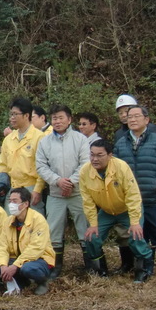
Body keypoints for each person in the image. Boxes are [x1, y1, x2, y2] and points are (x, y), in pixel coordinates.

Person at [113, 106, 156, 277]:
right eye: (129, 117)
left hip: (153, 195)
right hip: (132, 200)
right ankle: (146, 268)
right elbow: (116, 172)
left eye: (136, 116)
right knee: (139, 236)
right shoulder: (120, 143)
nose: (132, 120)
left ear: (146, 120)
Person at [80, 139, 152, 283]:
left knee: (135, 236)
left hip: (126, 209)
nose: (95, 159)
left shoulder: (121, 167)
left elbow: (133, 196)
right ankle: (100, 271)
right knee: (91, 238)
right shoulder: (85, 171)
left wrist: (135, 222)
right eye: (92, 154)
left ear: (110, 155)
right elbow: (87, 201)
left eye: (100, 155)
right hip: (107, 211)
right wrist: (93, 224)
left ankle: (143, 270)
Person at [35, 105, 90, 278]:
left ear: (69, 120)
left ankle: (91, 265)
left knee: (85, 229)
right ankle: (55, 267)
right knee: (54, 232)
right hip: (55, 194)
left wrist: (71, 182)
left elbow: (86, 164)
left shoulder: (80, 139)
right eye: (54, 118)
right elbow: (41, 166)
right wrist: (58, 181)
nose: (57, 122)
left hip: (78, 192)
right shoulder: (44, 142)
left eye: (60, 118)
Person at [0, 188, 54, 295]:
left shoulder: (38, 220)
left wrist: (15, 266)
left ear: (25, 204)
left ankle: (43, 282)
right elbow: (2, 245)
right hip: (15, 258)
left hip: (38, 259)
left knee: (28, 268)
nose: (11, 204)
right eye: (10, 201)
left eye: (15, 201)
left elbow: (36, 248)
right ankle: (22, 283)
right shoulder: (8, 221)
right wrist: (3, 265)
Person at [0, 98, 45, 213]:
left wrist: (38, 190)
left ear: (26, 115)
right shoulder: (9, 139)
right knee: (10, 223)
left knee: (33, 225)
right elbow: (2, 165)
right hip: (13, 188)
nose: (12, 117)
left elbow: (43, 167)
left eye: (15, 114)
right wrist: (1, 185)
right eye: (11, 114)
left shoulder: (39, 137)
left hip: (31, 188)